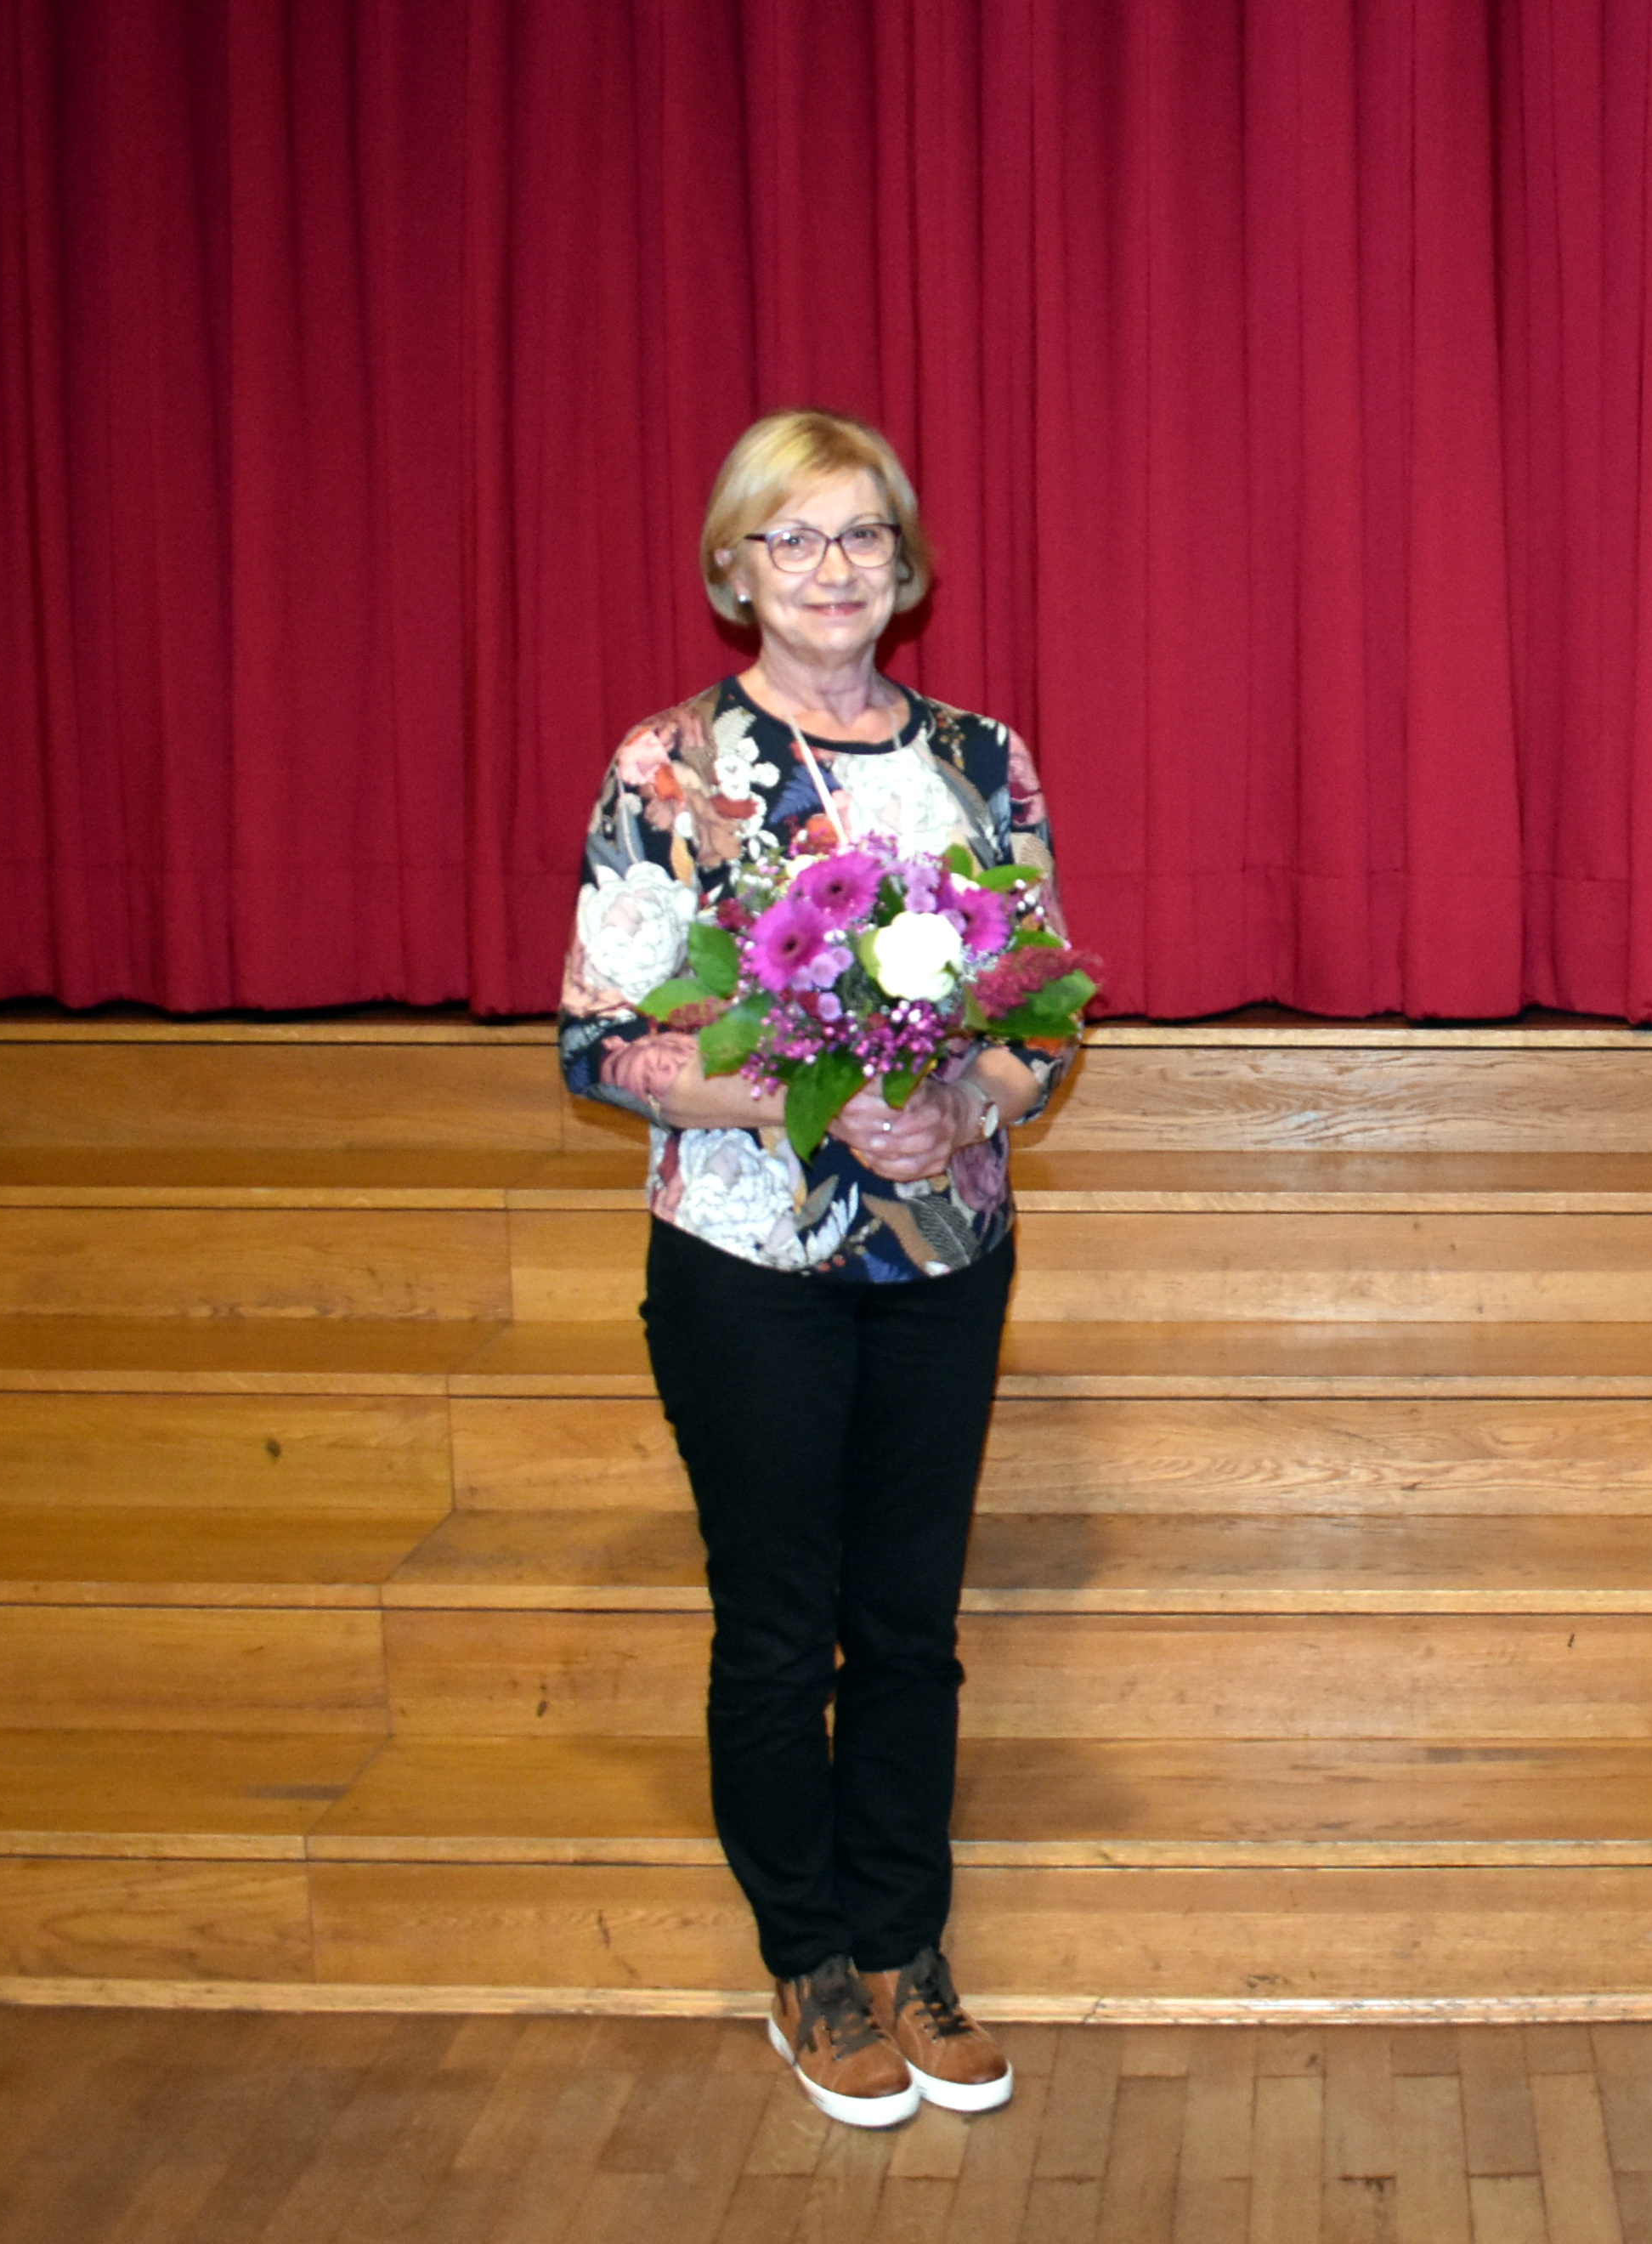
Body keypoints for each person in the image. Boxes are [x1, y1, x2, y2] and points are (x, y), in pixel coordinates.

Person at [558, 409, 1070, 2129]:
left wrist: (972, 1104)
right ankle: (810, 1963)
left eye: (860, 537)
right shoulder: (672, 768)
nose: (833, 569)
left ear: (903, 564)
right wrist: (825, 1108)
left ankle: (906, 1940)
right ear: (734, 569)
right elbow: (603, 1045)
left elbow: (1045, 1015)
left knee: (909, 1624)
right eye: (795, 541)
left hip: (944, 1251)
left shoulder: (982, 762)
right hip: (746, 1256)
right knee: (780, 1628)